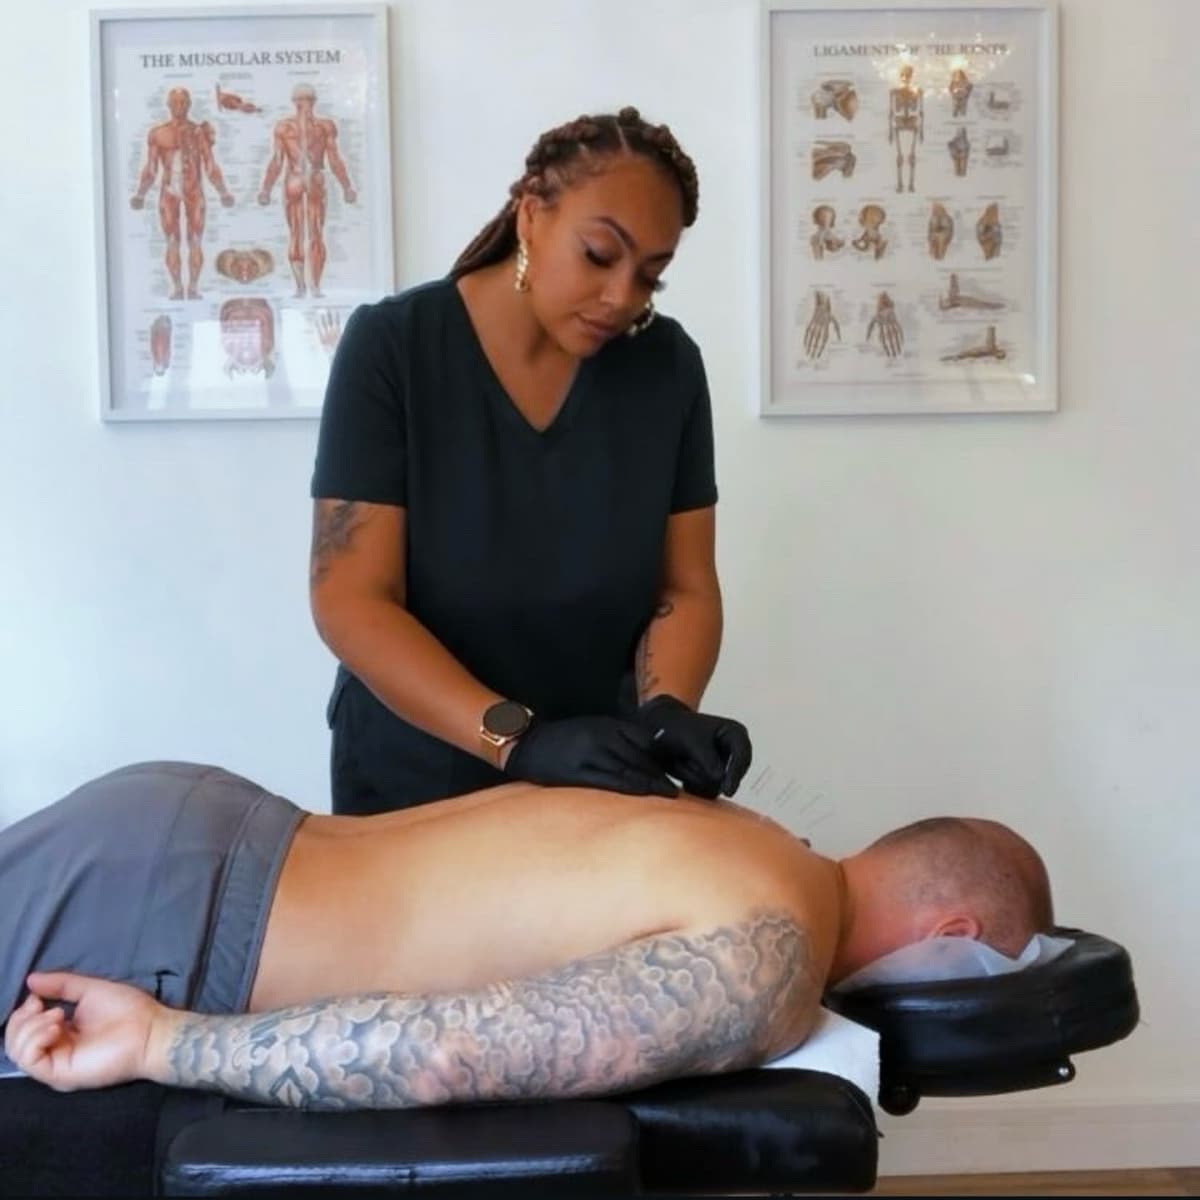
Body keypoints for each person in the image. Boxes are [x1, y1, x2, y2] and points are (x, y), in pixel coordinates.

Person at [2, 762, 1053, 1108]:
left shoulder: (751, 833)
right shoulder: (768, 958)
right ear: (952, 936)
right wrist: (162, 1042)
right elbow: (444, 1052)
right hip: (181, 915)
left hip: (200, 817)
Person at [309, 106, 752, 815]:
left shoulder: (666, 369)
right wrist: (518, 739)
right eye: (599, 255)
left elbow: (686, 585)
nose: (622, 297)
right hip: (416, 774)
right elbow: (350, 598)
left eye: (651, 276)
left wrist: (666, 709)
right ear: (531, 215)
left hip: (595, 771)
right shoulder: (394, 349)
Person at [130, 87, 235, 300]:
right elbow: (151, 168)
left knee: (195, 240)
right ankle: (177, 288)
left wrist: (223, 191)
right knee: (172, 240)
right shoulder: (158, 133)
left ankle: (193, 288)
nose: (180, 106)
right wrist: (140, 194)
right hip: (169, 191)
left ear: (189, 105)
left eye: (184, 102)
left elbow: (209, 164)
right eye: (176, 102)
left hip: (193, 190)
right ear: (168, 105)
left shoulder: (198, 132)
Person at [257, 83, 357, 299]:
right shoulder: (321, 126)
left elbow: (278, 160)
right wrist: (346, 187)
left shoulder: (289, 127)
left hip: (301, 178)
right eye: (303, 100)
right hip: (311, 177)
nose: (304, 105)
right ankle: (309, 287)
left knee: (304, 233)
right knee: (310, 233)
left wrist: (266, 189)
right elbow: (332, 158)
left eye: (305, 100)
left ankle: (306, 287)